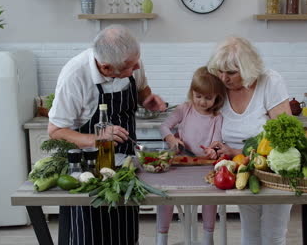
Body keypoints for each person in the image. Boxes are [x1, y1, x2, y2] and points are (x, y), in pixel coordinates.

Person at [48, 24, 166, 245]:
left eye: (136, 62)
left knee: (125, 234)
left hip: (125, 169)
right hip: (88, 170)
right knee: (91, 235)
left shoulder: (131, 61)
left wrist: (147, 99)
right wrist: (96, 138)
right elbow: (55, 131)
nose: (137, 67)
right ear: (105, 67)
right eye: (130, 67)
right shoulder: (75, 75)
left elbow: (142, 89)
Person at [207, 36, 292, 245]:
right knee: (250, 232)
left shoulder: (270, 82)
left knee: (273, 235)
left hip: (274, 172)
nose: (224, 78)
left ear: (247, 69)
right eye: (220, 71)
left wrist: (237, 151)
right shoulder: (218, 88)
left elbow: (284, 137)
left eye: (231, 72)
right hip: (242, 171)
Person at [157, 66, 226, 245]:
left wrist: (213, 150)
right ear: (192, 92)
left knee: (210, 197)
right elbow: (164, 126)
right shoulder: (184, 109)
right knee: (165, 194)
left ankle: (207, 238)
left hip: (204, 166)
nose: (202, 102)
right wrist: (172, 139)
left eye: (208, 98)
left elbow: (216, 141)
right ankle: (161, 237)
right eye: (198, 96)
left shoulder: (216, 117)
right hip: (181, 164)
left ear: (217, 97)